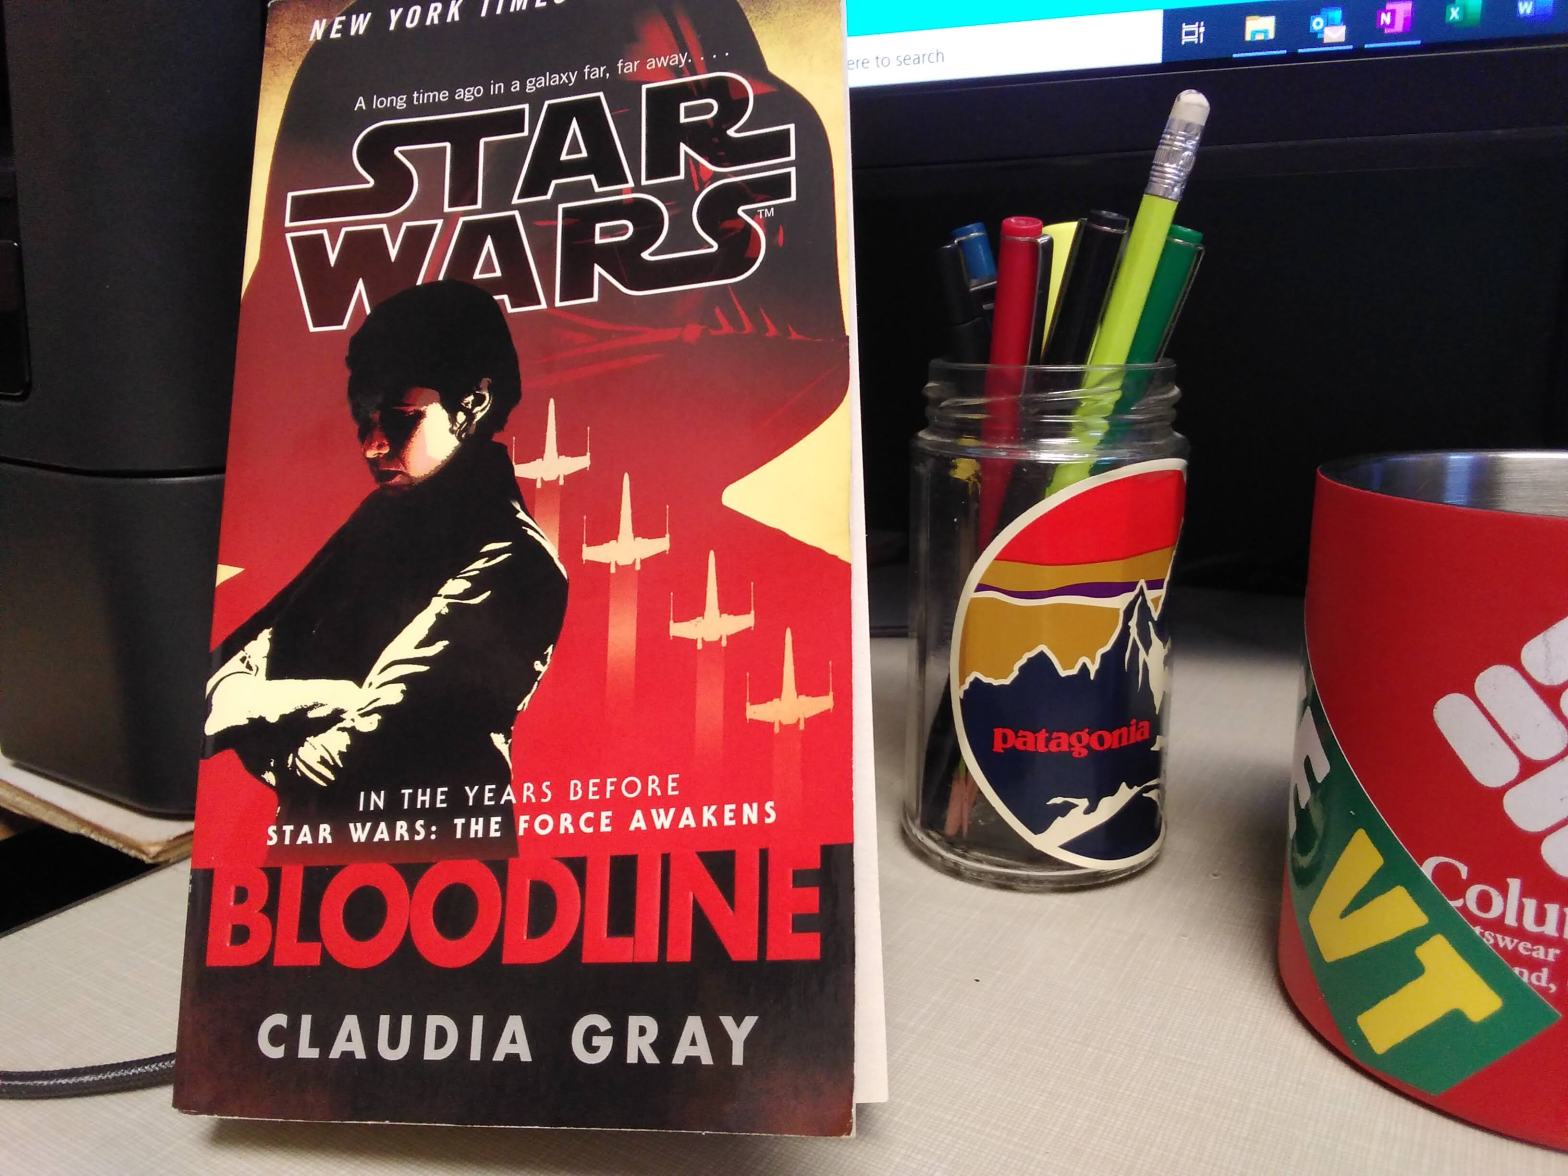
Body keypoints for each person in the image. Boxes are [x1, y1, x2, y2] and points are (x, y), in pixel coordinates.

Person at [203, 280, 567, 856]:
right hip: (309, 864)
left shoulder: (517, 561)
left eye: (399, 418)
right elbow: (225, 675)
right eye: (362, 419)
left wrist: (257, 712)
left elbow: (344, 757)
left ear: (474, 404)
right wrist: (312, 699)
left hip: (439, 872)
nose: (371, 446)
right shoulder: (381, 519)